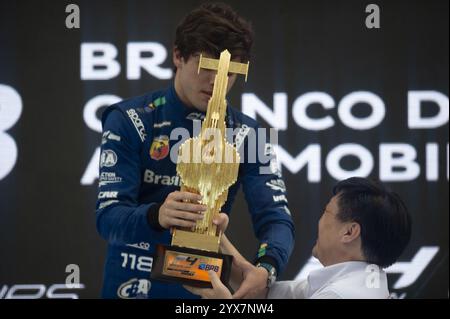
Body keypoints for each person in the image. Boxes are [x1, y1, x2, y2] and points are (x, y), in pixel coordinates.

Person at [96, 2, 295, 299]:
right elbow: (108, 218)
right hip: (131, 284)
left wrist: (266, 269)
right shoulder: (130, 119)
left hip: (202, 289)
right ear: (178, 55)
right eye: (207, 67)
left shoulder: (250, 134)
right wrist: (157, 215)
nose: (216, 82)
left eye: (228, 73)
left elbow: (276, 218)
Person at [185, 177, 412, 299]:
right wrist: (215, 235)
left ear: (349, 232)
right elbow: (261, 293)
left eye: (326, 212)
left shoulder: (338, 295)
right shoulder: (359, 282)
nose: (320, 221)